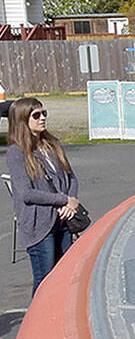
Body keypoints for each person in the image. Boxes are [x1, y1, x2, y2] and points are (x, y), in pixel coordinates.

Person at [6, 98, 80, 296]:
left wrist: (71, 202)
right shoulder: (16, 153)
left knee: (64, 274)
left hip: (63, 221)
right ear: (23, 120)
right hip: (39, 225)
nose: (42, 118)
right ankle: (38, 324)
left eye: (44, 113)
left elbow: (71, 177)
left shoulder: (52, 145)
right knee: (45, 279)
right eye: (36, 115)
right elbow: (25, 193)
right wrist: (63, 200)